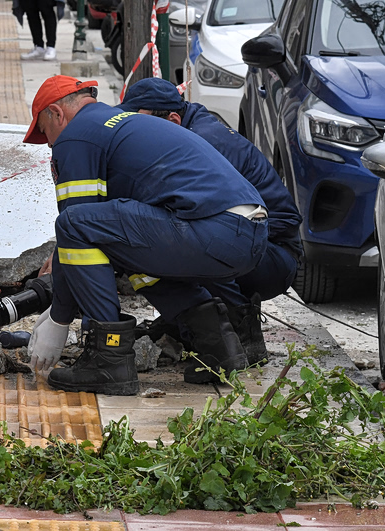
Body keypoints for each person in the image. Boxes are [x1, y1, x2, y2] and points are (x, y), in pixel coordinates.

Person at [24, 75, 268, 395]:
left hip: (215, 229)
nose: (51, 144)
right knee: (129, 254)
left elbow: (74, 225)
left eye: (45, 133)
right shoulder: (117, 125)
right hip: (248, 233)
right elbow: (109, 231)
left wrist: (58, 318)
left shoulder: (77, 136)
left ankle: (108, 360)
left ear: (56, 113)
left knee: (74, 224)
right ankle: (218, 346)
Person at [119, 78, 303, 366]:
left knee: (186, 242)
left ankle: (242, 332)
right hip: (255, 244)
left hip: (273, 254)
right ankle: (187, 322)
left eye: (141, 125)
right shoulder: (184, 130)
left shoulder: (205, 140)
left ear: (172, 119)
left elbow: (280, 219)